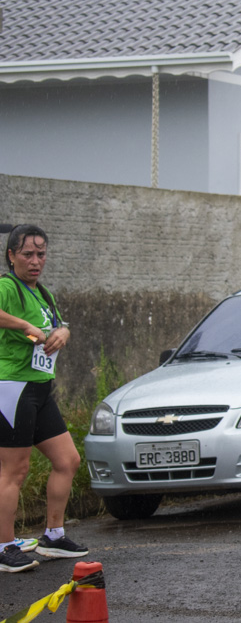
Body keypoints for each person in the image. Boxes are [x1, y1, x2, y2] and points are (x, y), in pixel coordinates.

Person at [0, 224, 88, 574]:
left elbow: (58, 325)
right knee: (15, 470)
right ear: (11, 256)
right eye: (27, 254)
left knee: (68, 461)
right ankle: (5, 546)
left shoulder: (43, 292)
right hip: (13, 387)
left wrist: (63, 331)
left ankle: (53, 535)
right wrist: (23, 326)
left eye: (41, 254)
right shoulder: (7, 287)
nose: (35, 261)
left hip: (40, 389)